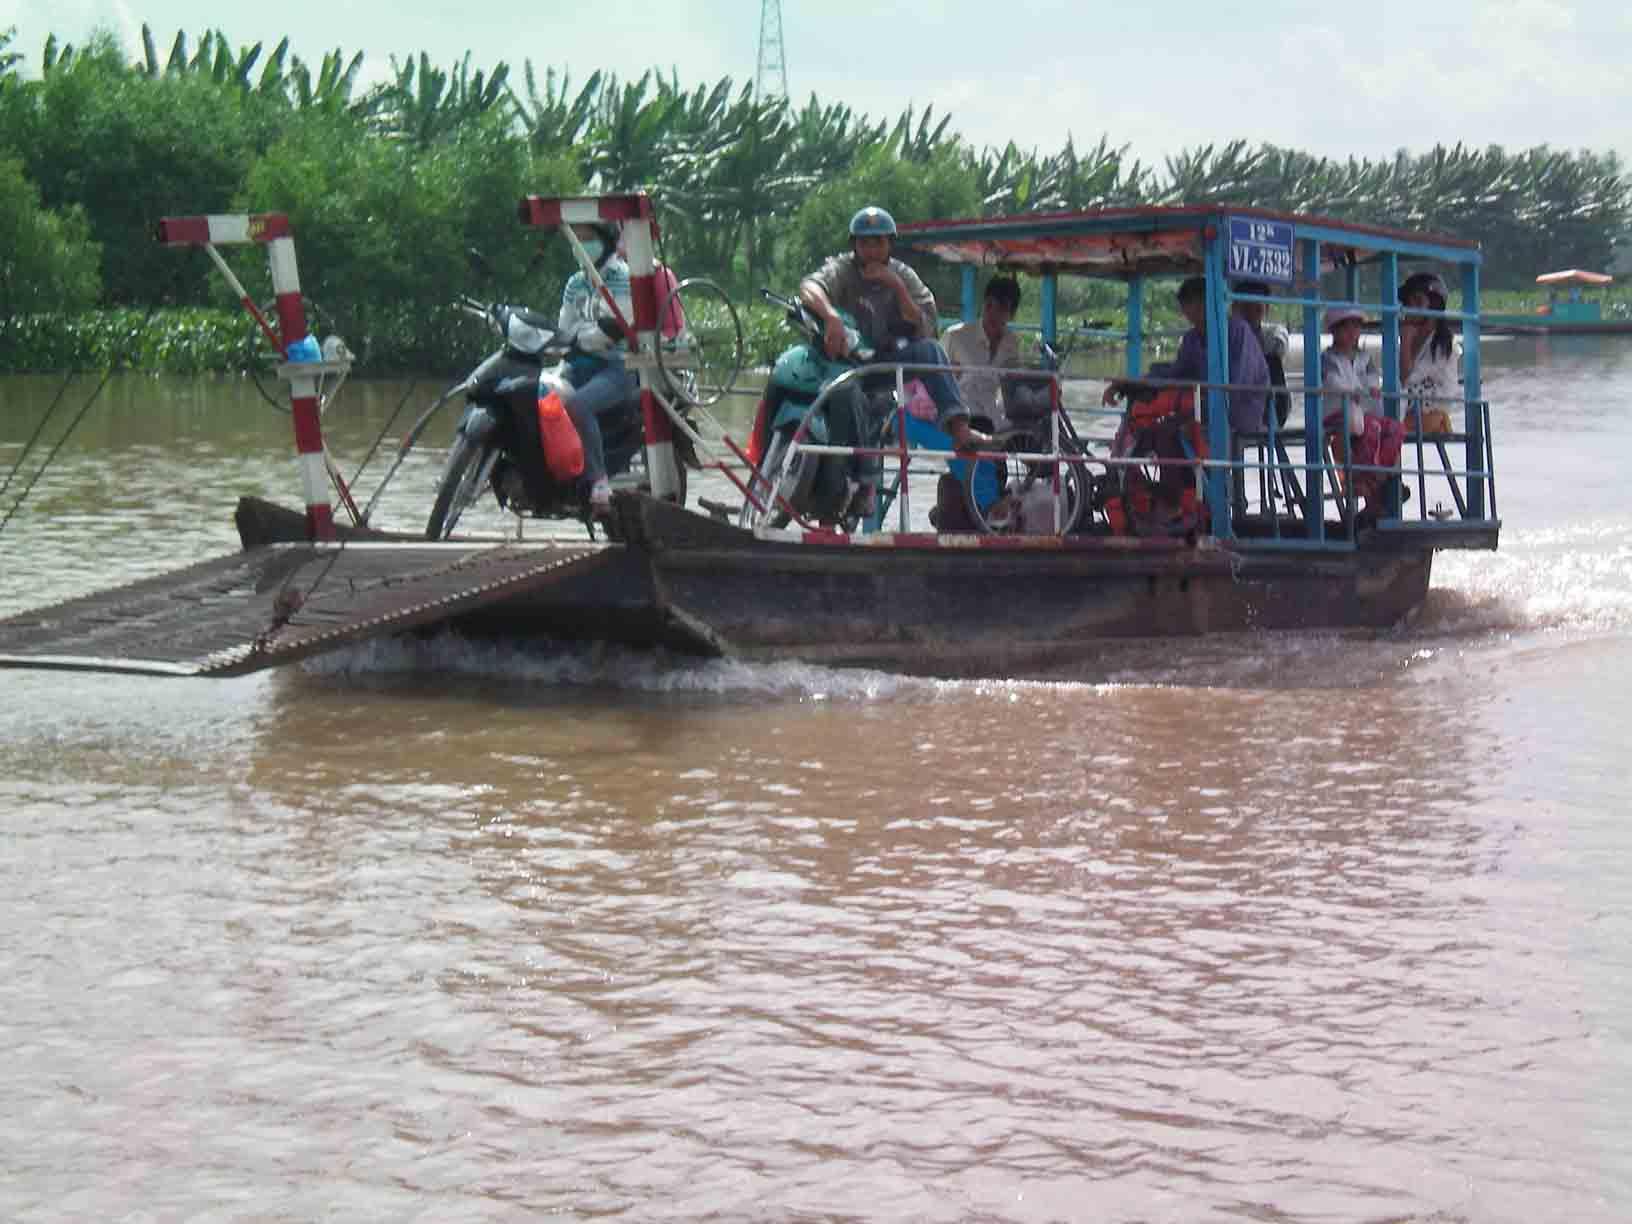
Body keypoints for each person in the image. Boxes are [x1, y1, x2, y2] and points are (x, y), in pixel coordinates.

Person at [799, 205, 986, 452]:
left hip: (885, 362)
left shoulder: (902, 274)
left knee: (930, 351)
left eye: (878, 243)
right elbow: (809, 287)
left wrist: (897, 287)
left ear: (890, 245)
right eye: (865, 244)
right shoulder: (844, 269)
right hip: (845, 362)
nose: (872, 251)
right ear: (854, 246)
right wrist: (830, 316)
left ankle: (960, 428)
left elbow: (926, 324)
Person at [1103, 275, 1270, 438]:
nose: (1189, 312)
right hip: (1204, 406)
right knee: (1151, 416)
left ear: (1207, 302)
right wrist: (1130, 384)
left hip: (1241, 411)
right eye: (1186, 307)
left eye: (1193, 305)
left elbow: (1236, 386)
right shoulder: (1192, 338)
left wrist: (1196, 397)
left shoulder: (1237, 331)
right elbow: (1176, 373)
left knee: (1176, 417)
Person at [557, 220, 636, 515]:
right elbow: (564, 328)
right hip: (577, 364)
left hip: (618, 367)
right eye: (577, 239)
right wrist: (580, 338)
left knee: (578, 405)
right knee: (541, 399)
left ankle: (598, 479)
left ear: (604, 241)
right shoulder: (575, 283)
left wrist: (583, 336)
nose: (581, 245)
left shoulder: (623, 278)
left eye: (587, 238)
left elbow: (614, 331)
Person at [1321, 305, 1403, 519]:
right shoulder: (1327, 358)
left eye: (1355, 328)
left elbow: (1373, 380)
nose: (1351, 333)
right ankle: (1362, 483)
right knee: (1371, 428)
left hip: (1363, 411)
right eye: (1346, 328)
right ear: (1334, 331)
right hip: (1337, 410)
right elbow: (1332, 382)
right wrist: (1357, 390)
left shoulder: (1365, 357)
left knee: (1395, 429)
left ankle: (1378, 477)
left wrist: (1369, 388)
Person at [941, 275, 1022, 428]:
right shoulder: (955, 336)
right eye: (989, 305)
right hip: (960, 416)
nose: (993, 313)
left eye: (1002, 308)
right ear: (983, 304)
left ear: (1012, 314)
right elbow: (937, 381)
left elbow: (1012, 385)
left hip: (994, 415)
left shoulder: (1012, 343)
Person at [1397, 272, 1458, 434]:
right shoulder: (1412, 338)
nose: (1411, 308)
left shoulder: (1443, 344)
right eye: (1408, 303)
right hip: (1410, 408)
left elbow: (1405, 378)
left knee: (1391, 430)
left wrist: (1405, 343)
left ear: (1434, 306)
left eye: (1418, 301)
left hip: (1431, 411)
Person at [1230, 279, 1291, 429]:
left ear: (1267, 308)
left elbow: (1279, 345)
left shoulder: (1273, 333)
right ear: (1234, 308)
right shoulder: (1226, 335)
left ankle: (1268, 417)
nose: (1250, 314)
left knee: (1270, 361)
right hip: (1234, 401)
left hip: (1271, 403)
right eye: (1245, 308)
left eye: (1256, 308)